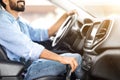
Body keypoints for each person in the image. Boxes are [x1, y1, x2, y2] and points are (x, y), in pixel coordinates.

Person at [0, 0, 84, 80]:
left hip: (32, 63)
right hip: (24, 71)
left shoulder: (18, 21)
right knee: (76, 58)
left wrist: (65, 15)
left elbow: (43, 34)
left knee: (71, 57)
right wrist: (61, 58)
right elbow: (29, 48)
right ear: (5, 0)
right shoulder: (2, 22)